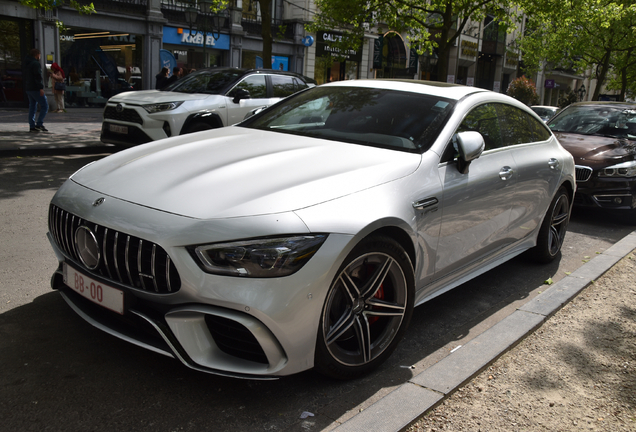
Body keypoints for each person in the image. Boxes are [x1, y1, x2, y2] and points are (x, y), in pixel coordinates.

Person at [23, 48, 48, 132]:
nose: (40, 56)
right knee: (44, 105)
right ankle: (39, 123)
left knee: (32, 107)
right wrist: (41, 88)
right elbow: (38, 77)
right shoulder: (35, 64)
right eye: (39, 55)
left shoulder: (27, 63)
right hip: (35, 88)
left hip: (29, 88)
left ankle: (32, 126)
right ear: (37, 55)